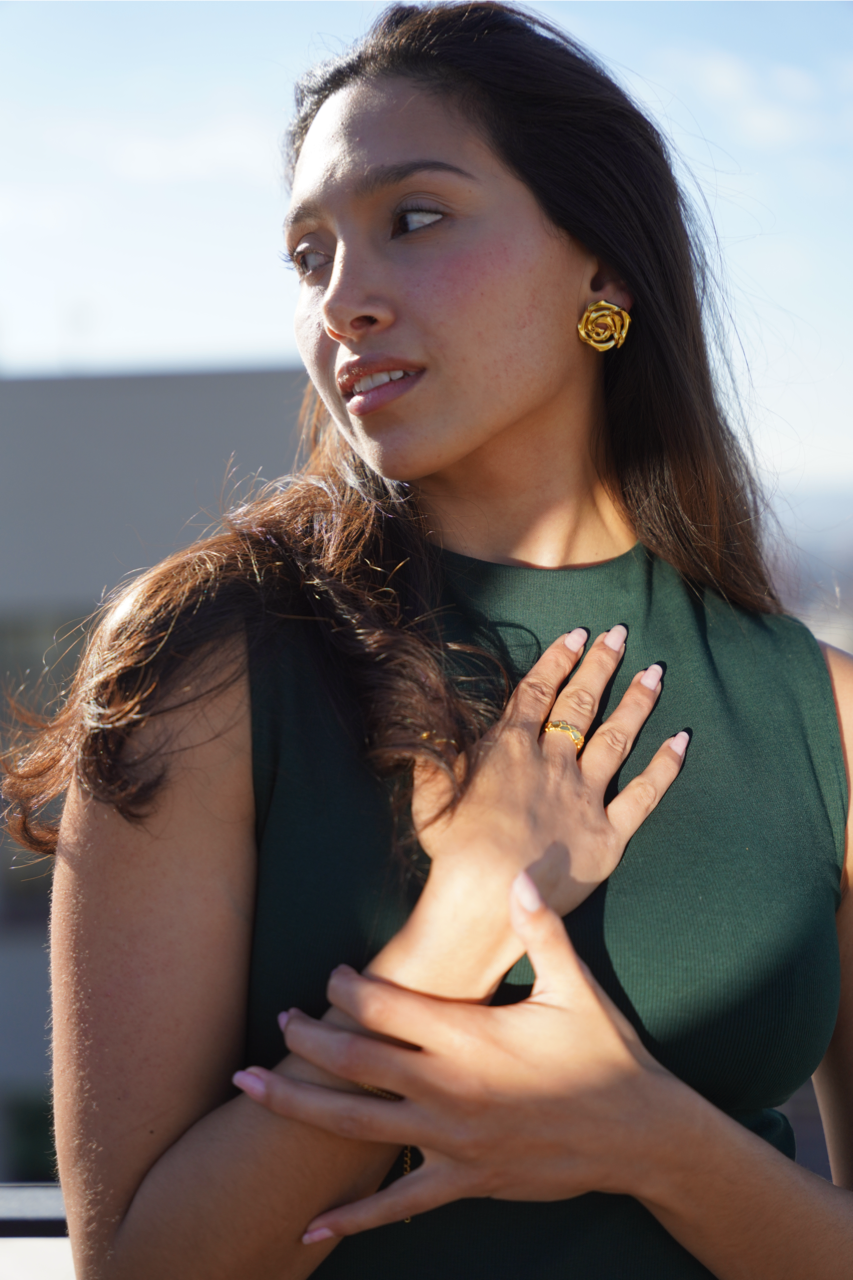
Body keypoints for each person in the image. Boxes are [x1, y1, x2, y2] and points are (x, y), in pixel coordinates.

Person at [4, 3, 853, 1276]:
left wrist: (648, 1139)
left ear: (602, 273)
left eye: (413, 219)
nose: (342, 302)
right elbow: (134, 1265)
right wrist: (463, 917)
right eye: (307, 256)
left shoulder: (820, 712)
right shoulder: (213, 659)